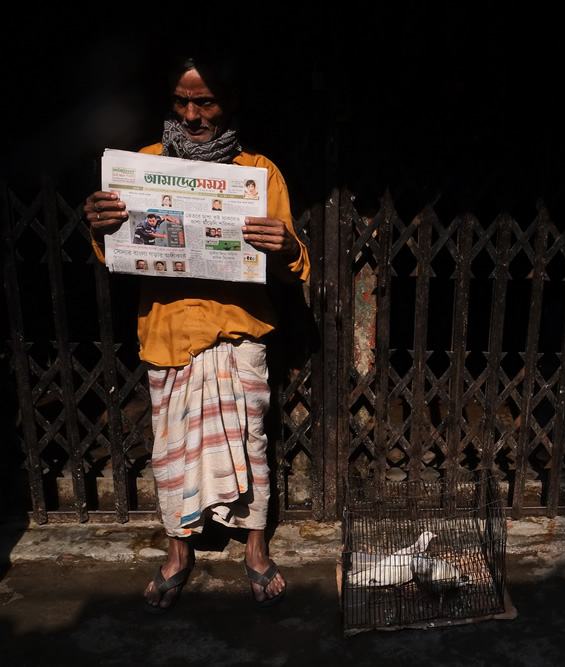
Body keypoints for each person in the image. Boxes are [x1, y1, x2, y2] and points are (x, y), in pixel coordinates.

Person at [85, 50, 309, 614]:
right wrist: (102, 228)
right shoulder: (142, 166)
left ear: (227, 103)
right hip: (169, 331)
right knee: (172, 449)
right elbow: (117, 254)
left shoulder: (259, 173)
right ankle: (178, 552)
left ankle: (255, 549)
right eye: (181, 101)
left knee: (250, 445)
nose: (191, 113)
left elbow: (290, 263)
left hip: (237, 334)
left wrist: (288, 248)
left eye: (204, 101)